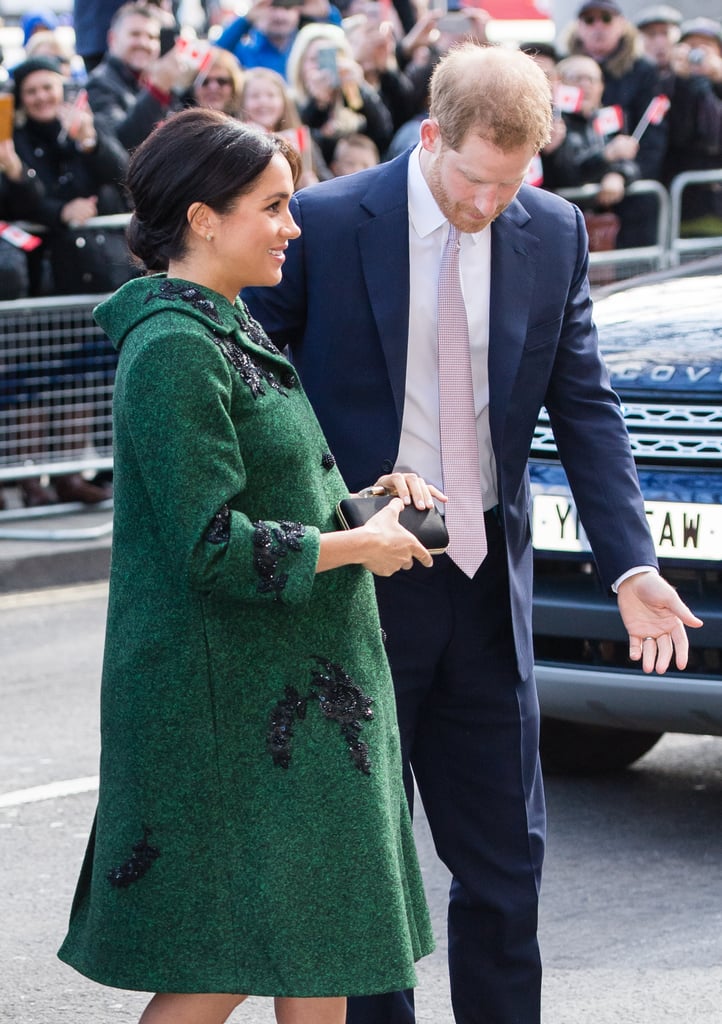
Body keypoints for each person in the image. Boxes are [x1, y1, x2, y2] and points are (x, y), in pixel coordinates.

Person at [244, 42, 703, 1024]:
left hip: (485, 585)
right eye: (472, 178)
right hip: (358, 580)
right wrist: (315, 504)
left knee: (505, 864)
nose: (487, 203)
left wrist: (629, 563)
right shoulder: (323, 224)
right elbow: (246, 379)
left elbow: (584, 406)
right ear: (430, 136)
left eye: (511, 182)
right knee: (366, 862)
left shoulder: (554, 231)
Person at [57, 106, 437, 1024]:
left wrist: (368, 497)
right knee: (226, 962)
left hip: (292, 700)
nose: (293, 227)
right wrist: (358, 545)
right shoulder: (174, 349)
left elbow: (273, 491)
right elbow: (210, 547)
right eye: (272, 206)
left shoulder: (228, 325)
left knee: (319, 949)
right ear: (202, 218)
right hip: (232, 713)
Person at [563, 0, 668, 247]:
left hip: (631, 197)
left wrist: (621, 173)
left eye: (606, 19)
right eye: (589, 20)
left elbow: (652, 139)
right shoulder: (563, 66)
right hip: (575, 193)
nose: (598, 26)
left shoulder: (643, 71)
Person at [85, 2, 197, 153]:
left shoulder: (155, 79)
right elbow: (121, 143)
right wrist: (157, 90)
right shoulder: (98, 84)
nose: (144, 43)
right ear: (112, 39)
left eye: (152, 37)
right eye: (135, 34)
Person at [286, 22, 393, 165]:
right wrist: (317, 104)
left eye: (330, 58)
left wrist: (359, 88)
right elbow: (301, 147)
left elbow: (383, 133)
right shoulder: (289, 101)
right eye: (313, 59)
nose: (321, 66)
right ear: (300, 65)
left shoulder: (353, 97)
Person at [215, 0, 343, 81]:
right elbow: (213, 57)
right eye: (273, 7)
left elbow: (343, 48)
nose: (280, 16)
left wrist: (327, 14)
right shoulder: (245, 49)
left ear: (299, 11)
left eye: (288, 7)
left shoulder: (307, 48)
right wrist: (245, 20)